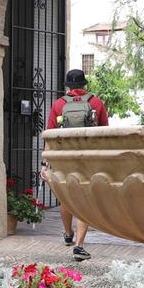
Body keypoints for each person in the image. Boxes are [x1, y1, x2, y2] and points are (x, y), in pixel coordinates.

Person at [45, 68, 109, 261]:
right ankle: (79, 246)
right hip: (88, 158)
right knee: (84, 199)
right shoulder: (96, 102)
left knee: (66, 197)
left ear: (68, 86)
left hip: (64, 158)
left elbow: (49, 134)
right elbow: (105, 132)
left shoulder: (58, 104)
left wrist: (44, 162)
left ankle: (67, 234)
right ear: (84, 84)